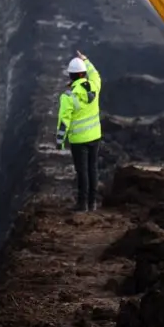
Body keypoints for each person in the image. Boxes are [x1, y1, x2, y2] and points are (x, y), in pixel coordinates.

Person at [56, 51, 102, 211]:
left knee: (82, 171)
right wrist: (86, 60)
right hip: (95, 137)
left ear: (70, 75)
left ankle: (82, 204)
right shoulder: (94, 88)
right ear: (83, 74)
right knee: (93, 168)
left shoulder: (68, 97)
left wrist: (60, 142)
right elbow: (95, 74)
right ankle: (92, 203)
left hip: (78, 141)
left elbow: (63, 122)